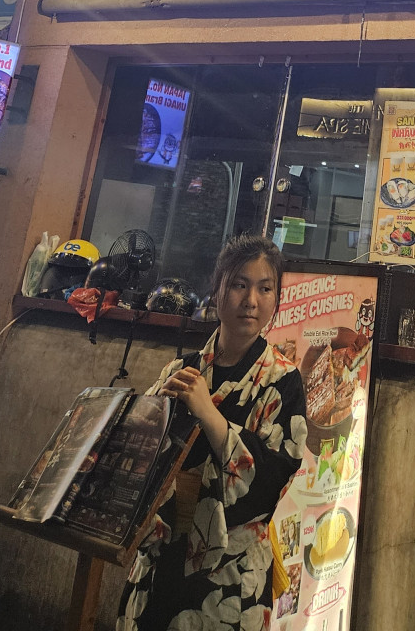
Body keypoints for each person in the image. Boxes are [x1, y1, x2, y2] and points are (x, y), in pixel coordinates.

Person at [119, 236, 307, 631]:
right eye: (239, 284)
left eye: (265, 288)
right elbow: (136, 456)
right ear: (217, 289)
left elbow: (272, 481)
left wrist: (208, 413)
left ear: (276, 298)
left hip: (230, 577)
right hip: (161, 558)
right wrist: (148, 417)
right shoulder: (180, 370)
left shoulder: (283, 381)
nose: (251, 300)